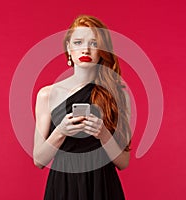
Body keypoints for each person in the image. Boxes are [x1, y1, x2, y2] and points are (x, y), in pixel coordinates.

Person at [33, 15, 131, 200]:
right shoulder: (47, 95)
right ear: (69, 48)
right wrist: (61, 131)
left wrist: (103, 134)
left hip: (102, 184)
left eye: (94, 43)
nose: (85, 49)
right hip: (63, 185)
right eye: (78, 42)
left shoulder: (118, 95)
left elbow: (123, 162)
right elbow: (39, 160)